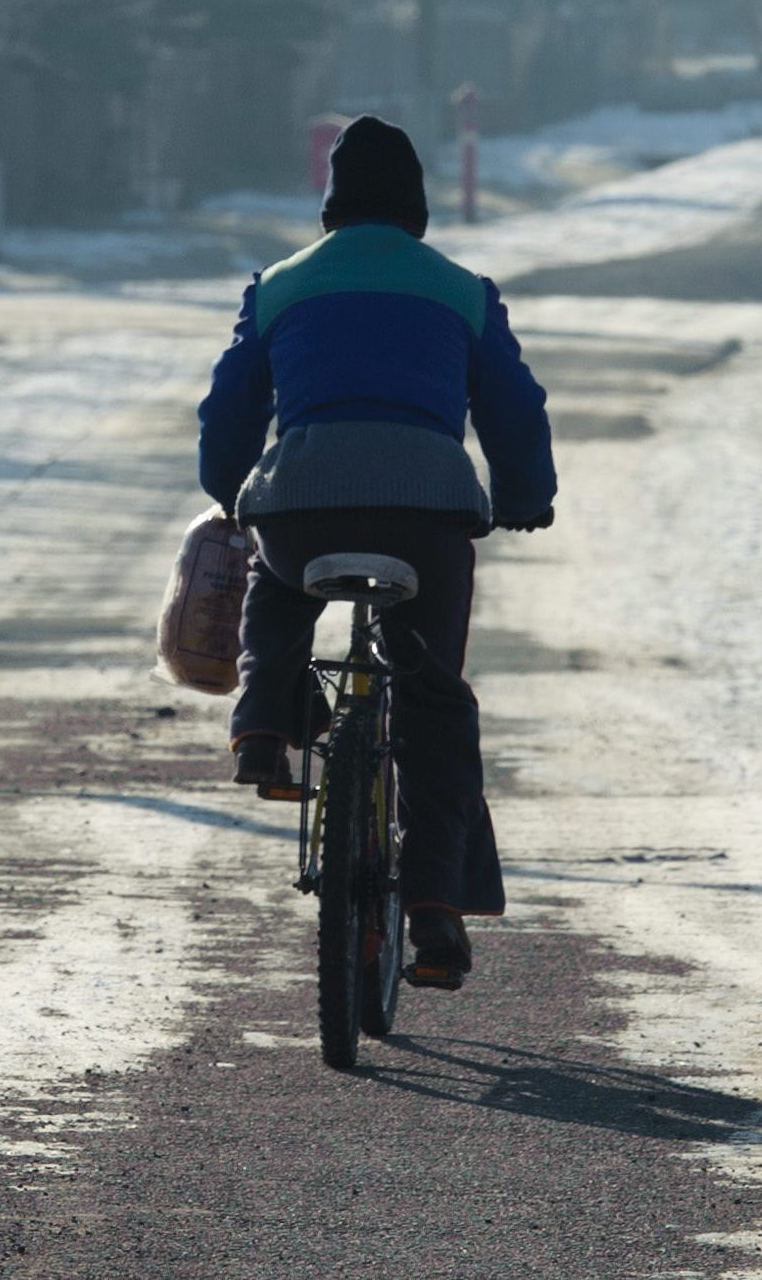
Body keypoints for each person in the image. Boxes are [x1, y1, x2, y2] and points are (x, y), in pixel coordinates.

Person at [197, 114, 553, 992]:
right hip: (425, 520)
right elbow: (515, 407)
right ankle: (434, 905)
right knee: (431, 695)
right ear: (417, 209)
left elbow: (229, 408)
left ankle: (263, 723)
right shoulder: (465, 291)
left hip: (304, 509)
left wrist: (225, 490)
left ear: (330, 207)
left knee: (278, 589)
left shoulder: (276, 287)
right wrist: (524, 499)